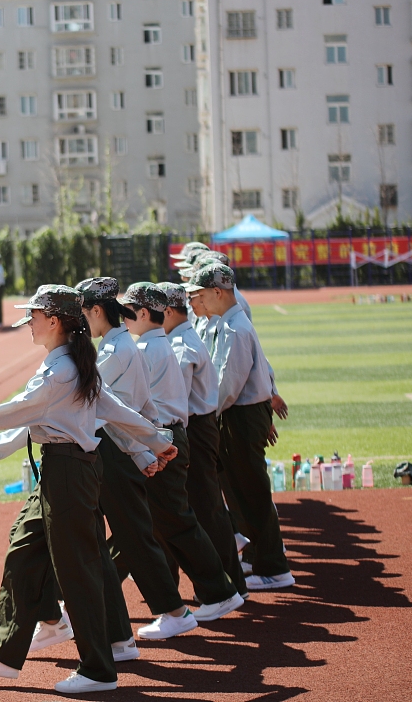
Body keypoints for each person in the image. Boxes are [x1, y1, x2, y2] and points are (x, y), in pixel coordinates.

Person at [0, 285, 173, 695]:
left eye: (33, 317)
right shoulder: (74, 364)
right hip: (62, 471)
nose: (29, 324)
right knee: (23, 550)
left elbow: (17, 411)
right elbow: (114, 410)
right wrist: (157, 441)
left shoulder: (63, 371)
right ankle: (5, 654)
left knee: (78, 572)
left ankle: (98, 669)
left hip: (69, 474)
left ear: (54, 321)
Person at [78, 276, 196, 642]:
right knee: (126, 536)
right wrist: (146, 449)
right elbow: (138, 409)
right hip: (120, 449)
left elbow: (117, 412)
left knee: (134, 537)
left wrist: (145, 450)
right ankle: (76, 612)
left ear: (97, 311)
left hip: (115, 452)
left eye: (84, 314)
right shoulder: (124, 346)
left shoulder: (117, 353)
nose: (83, 322)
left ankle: (173, 611)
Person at [118, 282, 243, 621]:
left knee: (176, 522)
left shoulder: (147, 350)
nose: (123, 321)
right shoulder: (159, 345)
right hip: (167, 435)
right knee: (160, 521)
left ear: (144, 314)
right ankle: (212, 590)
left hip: (160, 438)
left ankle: (220, 590)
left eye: (127, 313)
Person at [185, 263, 294, 591]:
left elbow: (228, 384)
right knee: (240, 490)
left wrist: (205, 416)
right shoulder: (228, 324)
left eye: (202, 295)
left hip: (241, 414)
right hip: (239, 414)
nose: (199, 302)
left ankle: (274, 565)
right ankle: (262, 558)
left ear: (217, 292)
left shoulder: (234, 329)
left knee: (252, 492)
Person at [159, 281, 246, 598]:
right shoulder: (179, 339)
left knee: (205, 508)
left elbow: (174, 397)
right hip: (196, 426)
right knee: (201, 507)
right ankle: (225, 581)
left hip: (193, 428)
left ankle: (230, 583)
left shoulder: (181, 345)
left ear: (167, 311)